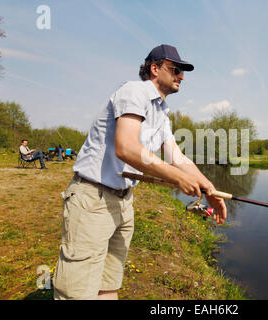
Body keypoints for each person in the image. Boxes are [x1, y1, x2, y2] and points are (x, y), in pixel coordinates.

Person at [53, 44, 227, 300]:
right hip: (93, 198)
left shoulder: (162, 113)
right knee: (77, 293)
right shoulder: (134, 91)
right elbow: (126, 147)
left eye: (183, 71)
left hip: (123, 202)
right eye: (176, 69)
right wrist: (176, 177)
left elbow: (176, 156)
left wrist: (209, 189)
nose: (182, 76)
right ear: (154, 68)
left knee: (108, 285)